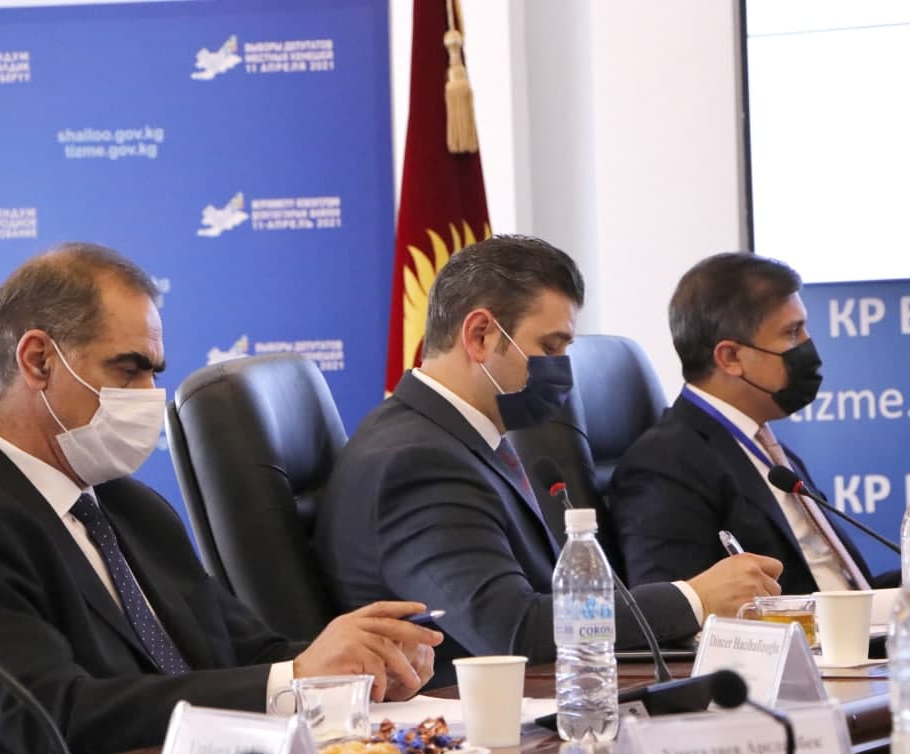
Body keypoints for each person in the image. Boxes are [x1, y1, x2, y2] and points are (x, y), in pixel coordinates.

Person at [0, 243, 440, 754]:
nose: (150, 394)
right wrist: (293, 680)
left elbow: (250, 655)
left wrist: (352, 671)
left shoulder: (131, 507)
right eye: (129, 369)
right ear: (38, 360)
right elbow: (56, 718)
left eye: (154, 372)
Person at [315, 236, 782, 682]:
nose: (562, 370)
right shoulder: (417, 463)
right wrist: (694, 599)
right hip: (469, 716)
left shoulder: (462, 440)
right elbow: (512, 629)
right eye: (550, 347)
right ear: (480, 336)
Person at [611, 251, 910, 594]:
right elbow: (678, 612)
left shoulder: (764, 445)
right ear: (730, 358)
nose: (808, 346)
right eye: (792, 333)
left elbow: (834, 593)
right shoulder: (666, 463)